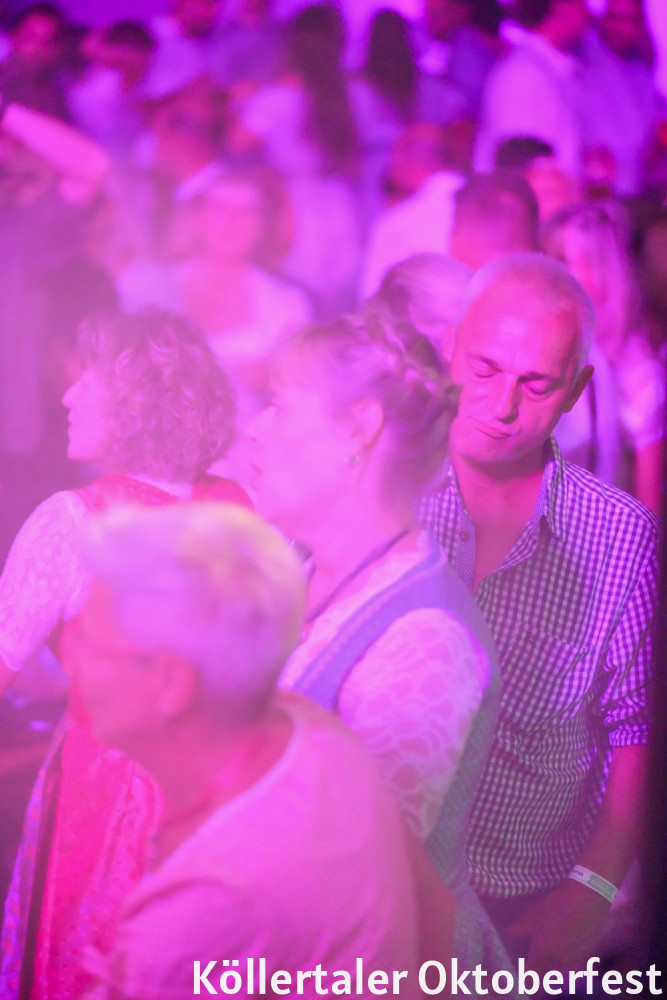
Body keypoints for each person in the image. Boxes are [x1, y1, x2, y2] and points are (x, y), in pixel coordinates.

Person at [70, 501, 428, 998]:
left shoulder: (204, 902)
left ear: (172, 683)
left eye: (88, 643)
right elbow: (435, 907)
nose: (71, 661)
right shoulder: (314, 730)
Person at [247, 312, 509, 971]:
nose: (255, 429)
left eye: (279, 406)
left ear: (358, 429)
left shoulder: (426, 640)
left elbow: (352, 884)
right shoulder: (297, 566)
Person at [0, 309, 249, 1000]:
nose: (67, 396)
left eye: (87, 379)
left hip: (104, 805)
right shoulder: (240, 507)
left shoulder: (74, 522)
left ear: (135, 401)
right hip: (220, 804)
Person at [420, 253, 659, 971]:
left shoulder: (619, 539)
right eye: (484, 369)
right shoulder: (386, 486)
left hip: (524, 905)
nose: (501, 406)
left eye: (534, 384)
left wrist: (594, 887)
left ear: (576, 390)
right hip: (383, 885)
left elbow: (636, 726)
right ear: (448, 350)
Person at [542, 201, 665, 512]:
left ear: (603, 271)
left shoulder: (636, 373)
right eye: (551, 258)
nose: (552, 273)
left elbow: (646, 507)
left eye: (565, 260)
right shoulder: (548, 350)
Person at [474, 0, 590, 177]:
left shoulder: (559, 71)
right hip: (533, 194)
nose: (588, 11)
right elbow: (515, 164)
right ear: (559, 5)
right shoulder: (522, 72)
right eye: (581, 2)